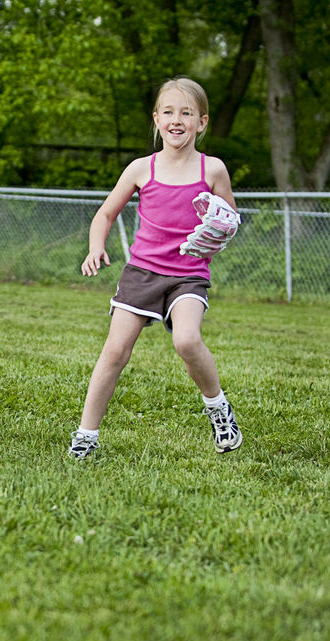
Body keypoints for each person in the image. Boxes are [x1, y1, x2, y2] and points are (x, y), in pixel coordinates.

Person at [69, 77, 242, 458]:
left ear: (202, 122)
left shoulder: (212, 169)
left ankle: (218, 408)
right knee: (114, 352)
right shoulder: (140, 169)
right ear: (156, 119)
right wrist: (96, 246)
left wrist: (221, 227)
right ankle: (85, 436)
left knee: (186, 340)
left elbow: (230, 217)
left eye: (186, 113)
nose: (176, 120)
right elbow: (106, 212)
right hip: (142, 272)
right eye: (168, 112)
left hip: (189, 274)